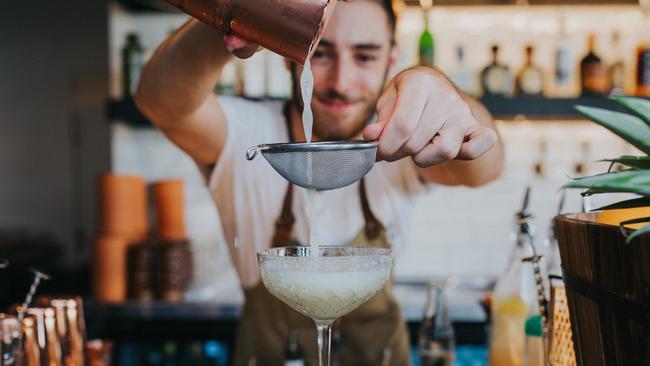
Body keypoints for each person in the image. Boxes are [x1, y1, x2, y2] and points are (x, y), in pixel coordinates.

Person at [135, 0, 505, 364]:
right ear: (286, 53)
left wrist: (440, 91)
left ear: (392, 60)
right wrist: (238, 11)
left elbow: (485, 166)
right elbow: (159, 101)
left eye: (364, 56)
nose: (340, 82)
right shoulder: (246, 135)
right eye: (320, 52)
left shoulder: (401, 140)